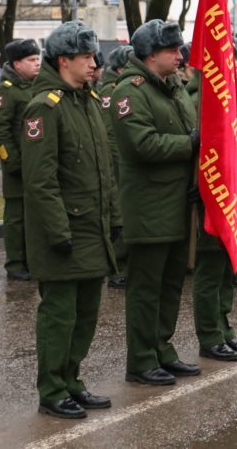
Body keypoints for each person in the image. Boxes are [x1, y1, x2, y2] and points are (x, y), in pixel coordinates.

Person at [21, 21, 119, 419]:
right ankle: (52, 389)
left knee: (86, 314)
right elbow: (40, 181)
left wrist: (113, 218)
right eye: (86, 57)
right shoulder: (44, 107)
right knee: (60, 315)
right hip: (63, 233)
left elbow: (103, 169)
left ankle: (73, 381)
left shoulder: (86, 100)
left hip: (92, 228)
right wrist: (59, 232)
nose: (94, 63)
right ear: (64, 61)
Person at [112, 19, 201, 386]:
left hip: (177, 201)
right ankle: (141, 359)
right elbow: (142, 145)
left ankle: (162, 349)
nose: (180, 56)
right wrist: (190, 144)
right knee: (146, 288)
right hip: (149, 206)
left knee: (170, 285)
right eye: (172, 50)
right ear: (150, 55)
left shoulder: (173, 86)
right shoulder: (130, 93)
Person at [189, 54, 237, 362]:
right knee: (209, 271)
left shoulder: (235, 93)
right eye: (232, 57)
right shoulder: (200, 98)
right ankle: (210, 335)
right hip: (211, 198)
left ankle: (224, 328)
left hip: (234, 195)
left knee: (227, 267)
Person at [0, 39, 42, 281]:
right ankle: (15, 263)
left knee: (34, 215)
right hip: (17, 166)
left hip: (36, 163)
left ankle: (31, 259)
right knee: (16, 217)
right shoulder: (6, 91)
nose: (37, 63)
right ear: (17, 63)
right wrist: (12, 163)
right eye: (31, 60)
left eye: (37, 58)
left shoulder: (35, 87)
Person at [98, 44, 133, 290]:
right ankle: (117, 268)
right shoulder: (111, 92)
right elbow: (110, 134)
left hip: (121, 162)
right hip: (116, 163)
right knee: (118, 216)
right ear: (121, 67)